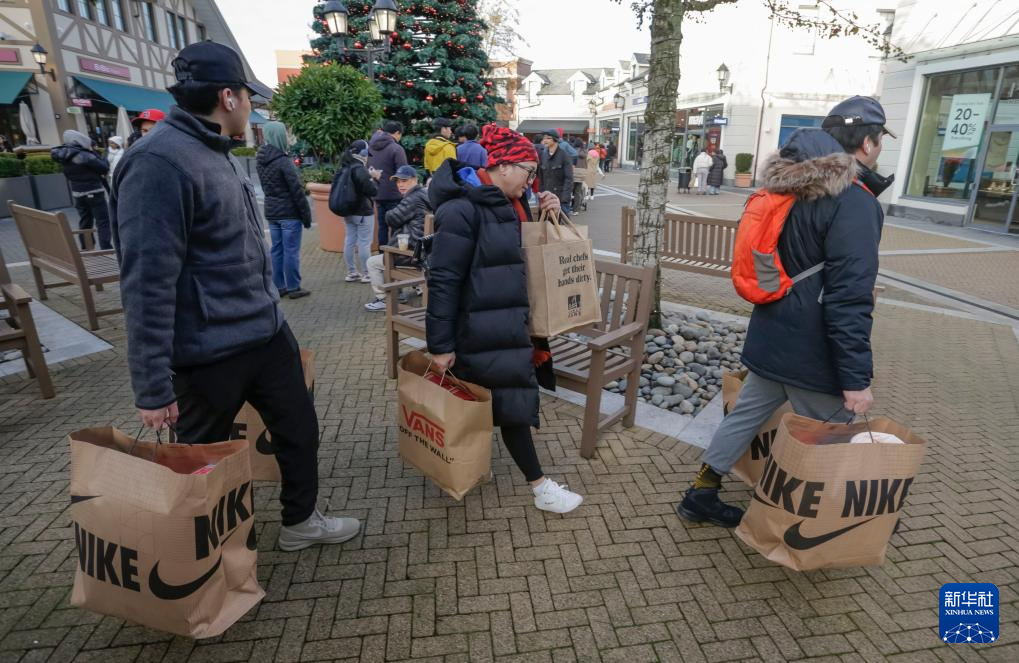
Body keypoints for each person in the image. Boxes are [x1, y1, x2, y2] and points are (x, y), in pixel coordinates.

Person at [111, 41, 360, 551]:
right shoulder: (158, 163)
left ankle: (301, 521)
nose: (251, 105)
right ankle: (206, 561)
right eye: (248, 95)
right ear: (229, 97)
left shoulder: (216, 149)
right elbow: (145, 280)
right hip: (206, 353)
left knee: (299, 429)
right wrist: (152, 386)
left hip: (266, 334)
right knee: (203, 461)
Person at [676, 95, 895, 528]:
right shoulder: (853, 201)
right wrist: (855, 381)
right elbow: (848, 297)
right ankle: (834, 522)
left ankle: (702, 491)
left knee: (745, 416)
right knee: (835, 433)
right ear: (868, 144)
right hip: (811, 351)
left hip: (772, 332)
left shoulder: (788, 185)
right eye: (880, 139)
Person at [426, 124, 584, 514]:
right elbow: (443, 280)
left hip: (504, 322)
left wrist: (545, 209)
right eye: (530, 172)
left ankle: (474, 465)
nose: (533, 181)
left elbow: (516, 249)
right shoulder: (461, 209)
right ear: (505, 166)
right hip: (482, 326)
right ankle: (541, 487)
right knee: (511, 401)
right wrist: (441, 345)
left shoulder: (504, 202)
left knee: (494, 400)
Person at [257, 120, 313, 299]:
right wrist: (306, 217)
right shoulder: (284, 161)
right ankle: (294, 287)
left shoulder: (261, 160)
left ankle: (278, 286)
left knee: (277, 250)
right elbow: (297, 191)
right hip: (289, 213)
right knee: (291, 251)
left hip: (272, 212)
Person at [364, 165, 431, 312]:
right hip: (425, 252)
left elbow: (391, 218)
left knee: (373, 262)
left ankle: (383, 299)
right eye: (398, 181)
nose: (400, 184)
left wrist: (390, 211)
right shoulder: (425, 194)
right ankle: (398, 293)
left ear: (415, 180)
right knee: (393, 247)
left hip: (413, 255)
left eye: (404, 181)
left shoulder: (412, 199)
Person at [51, 130, 111, 250]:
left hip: (77, 193)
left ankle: (86, 247)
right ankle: (106, 248)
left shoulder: (63, 155)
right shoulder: (86, 155)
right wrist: (99, 156)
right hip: (94, 192)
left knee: (85, 221)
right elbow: (104, 168)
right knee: (102, 221)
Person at [337, 139, 381, 283]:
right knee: (364, 243)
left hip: (348, 211)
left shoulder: (344, 166)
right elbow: (372, 191)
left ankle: (351, 272)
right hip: (362, 212)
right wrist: (375, 178)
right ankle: (367, 274)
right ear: (363, 153)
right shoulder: (359, 168)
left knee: (349, 240)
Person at [368, 120, 408, 248]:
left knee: (382, 226)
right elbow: (403, 173)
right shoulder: (396, 148)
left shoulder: (371, 147)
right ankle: (393, 255)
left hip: (377, 193)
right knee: (396, 226)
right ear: (397, 133)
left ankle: (382, 255)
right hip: (394, 194)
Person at [537, 129, 574, 215]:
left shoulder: (564, 156)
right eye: (544, 138)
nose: (544, 140)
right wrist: (541, 195)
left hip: (560, 199)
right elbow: (541, 178)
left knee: (561, 226)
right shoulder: (543, 155)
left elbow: (569, 179)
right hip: (546, 198)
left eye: (548, 138)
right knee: (545, 225)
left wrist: (564, 200)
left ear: (555, 139)